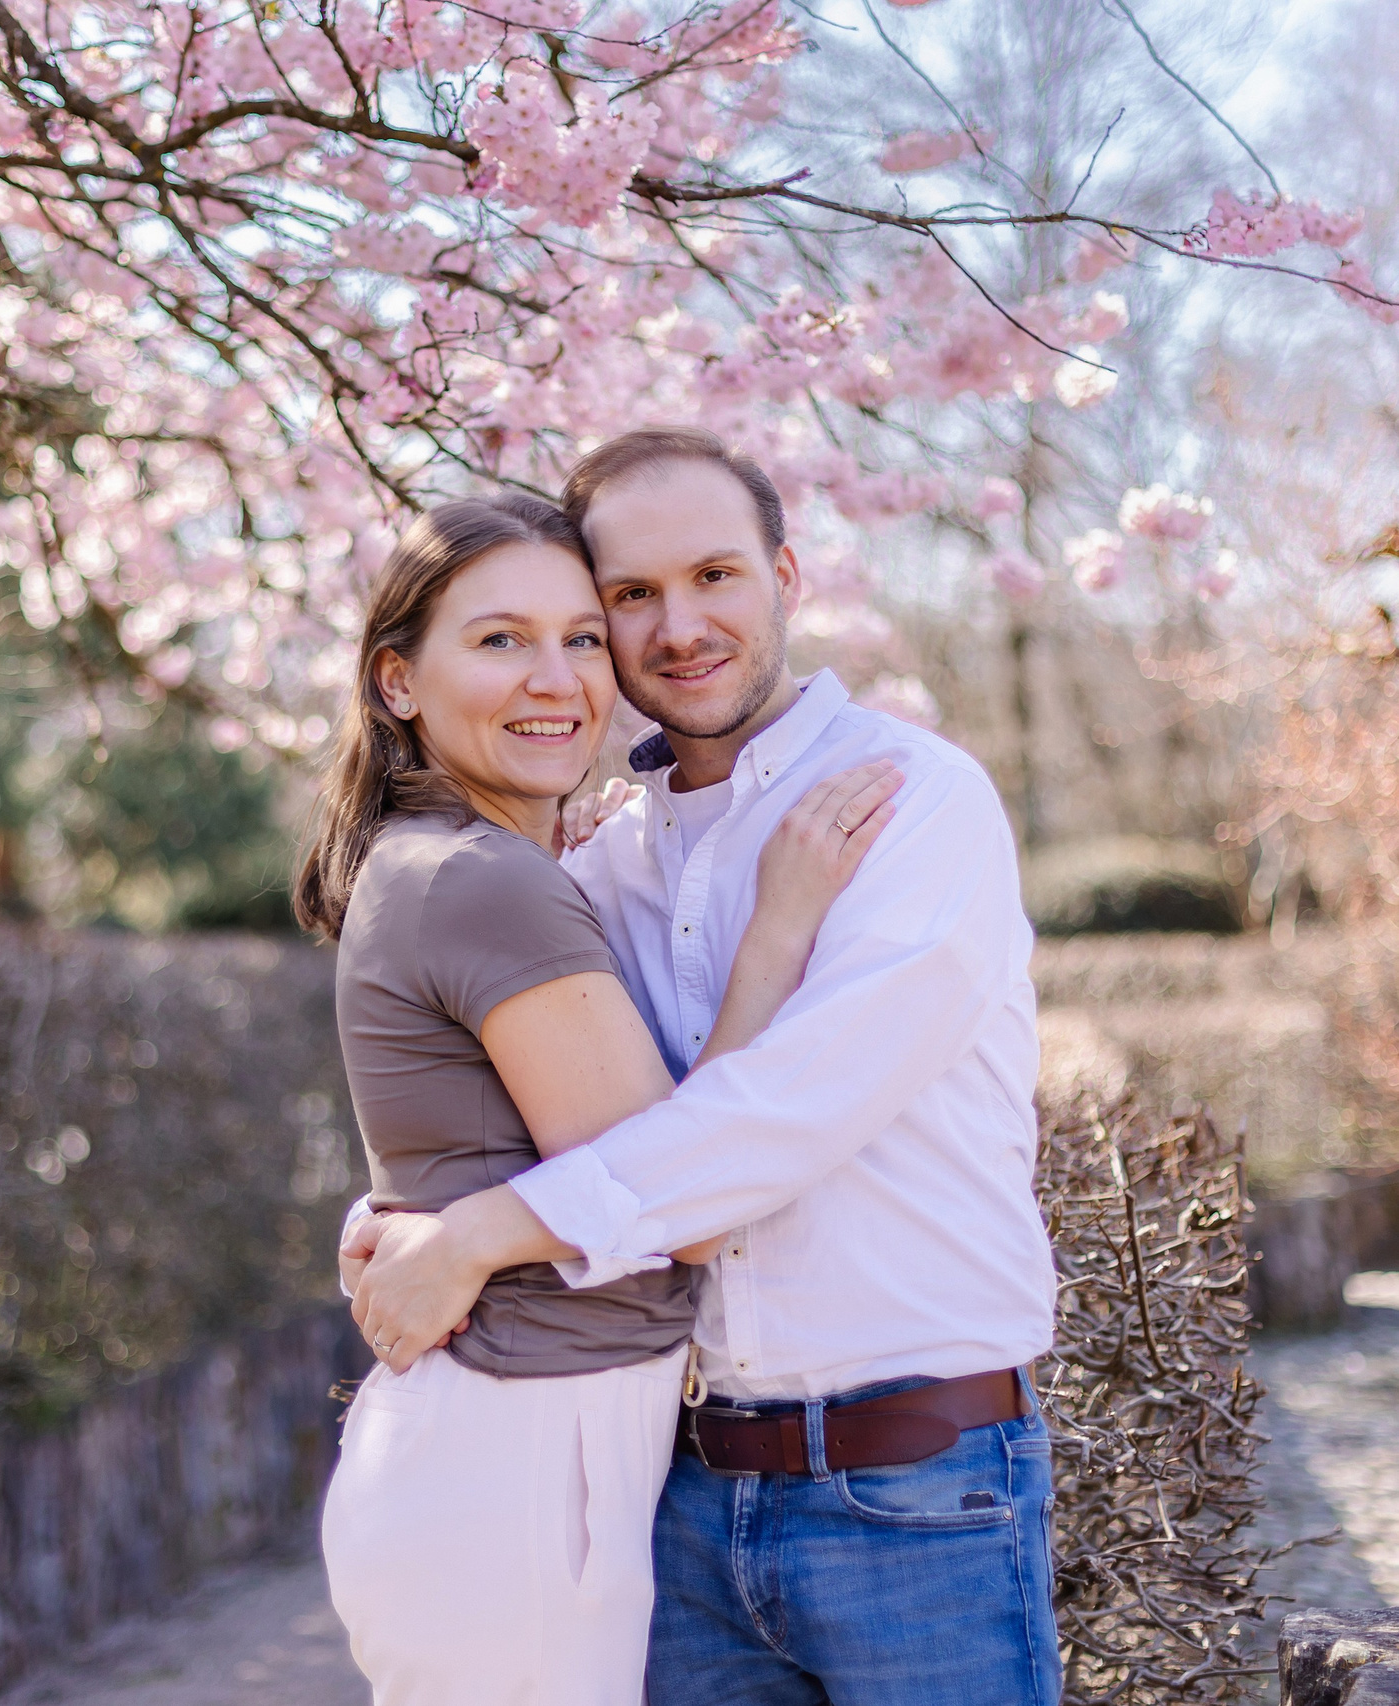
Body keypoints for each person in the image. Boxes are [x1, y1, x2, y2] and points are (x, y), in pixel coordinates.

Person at [344, 428, 1063, 1706]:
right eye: (629, 596)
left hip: (914, 1487)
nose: (678, 625)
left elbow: (772, 1121)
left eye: (716, 575)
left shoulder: (908, 801)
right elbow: (547, 1112)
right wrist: (411, 1208)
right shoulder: (599, 869)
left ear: (785, 574)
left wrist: (473, 1234)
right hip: (673, 1498)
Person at [294, 490, 899, 1706]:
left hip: (518, 1451)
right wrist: (777, 923)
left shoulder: (468, 862)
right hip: (515, 1461)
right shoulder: (480, 882)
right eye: (499, 638)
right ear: (397, 682)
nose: (556, 678)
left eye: (580, 637)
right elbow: (682, 1198)